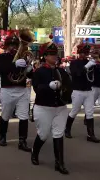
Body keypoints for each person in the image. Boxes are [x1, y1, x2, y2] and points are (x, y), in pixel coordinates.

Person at [31, 39, 70, 174]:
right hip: (44, 107)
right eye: (51, 54)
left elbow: (69, 85)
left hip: (60, 107)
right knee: (43, 134)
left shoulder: (61, 71)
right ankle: (34, 153)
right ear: (45, 56)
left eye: (55, 54)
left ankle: (59, 163)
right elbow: (36, 88)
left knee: (58, 134)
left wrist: (64, 87)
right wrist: (48, 86)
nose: (55, 56)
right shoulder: (39, 71)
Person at [0, 29, 34, 152]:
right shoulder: (2, 57)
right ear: (7, 46)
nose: (13, 47)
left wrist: (29, 70)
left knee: (24, 116)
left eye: (16, 45)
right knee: (5, 115)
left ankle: (22, 141)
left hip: (22, 90)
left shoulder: (24, 57)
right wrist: (14, 65)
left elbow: (29, 76)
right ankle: (2, 136)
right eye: (11, 45)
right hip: (8, 90)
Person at [64, 41, 100, 143]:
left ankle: (91, 135)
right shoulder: (74, 63)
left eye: (86, 52)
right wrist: (86, 67)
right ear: (79, 53)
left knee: (90, 112)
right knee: (74, 111)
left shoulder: (90, 62)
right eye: (83, 52)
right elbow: (77, 74)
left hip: (89, 91)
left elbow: (96, 77)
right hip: (78, 91)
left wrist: (99, 66)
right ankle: (67, 130)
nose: (85, 55)